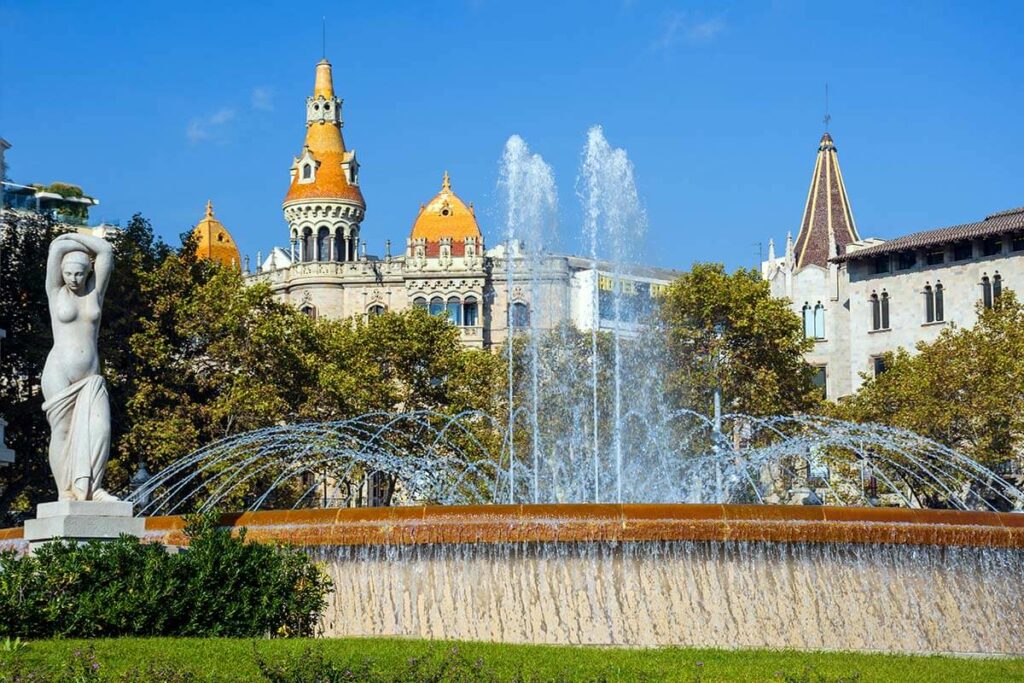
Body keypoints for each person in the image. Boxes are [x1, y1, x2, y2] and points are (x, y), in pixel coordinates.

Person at [41, 232, 117, 501]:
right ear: (62, 272)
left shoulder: (95, 292)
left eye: (79, 274)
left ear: (88, 272)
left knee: (101, 429)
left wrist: (75, 235)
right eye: (69, 273)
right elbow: (56, 248)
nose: (73, 279)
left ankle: (93, 488)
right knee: (60, 431)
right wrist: (69, 241)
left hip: (91, 376)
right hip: (59, 370)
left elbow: (106, 250)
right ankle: (65, 491)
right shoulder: (55, 291)